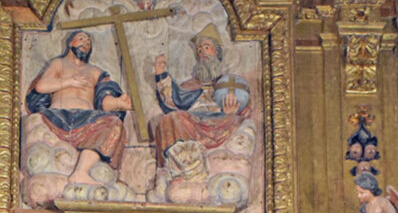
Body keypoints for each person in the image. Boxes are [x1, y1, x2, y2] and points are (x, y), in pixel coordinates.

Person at [25, 30, 132, 185]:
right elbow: (41, 86)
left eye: (88, 42)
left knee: (114, 123)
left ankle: (81, 172)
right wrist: (69, 81)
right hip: (57, 117)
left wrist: (118, 103)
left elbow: (104, 100)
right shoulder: (59, 64)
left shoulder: (95, 71)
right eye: (81, 39)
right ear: (71, 43)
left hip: (88, 120)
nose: (85, 44)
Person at [153, 25, 248, 168]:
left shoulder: (229, 83)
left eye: (206, 47)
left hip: (220, 121)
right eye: (199, 50)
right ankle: (173, 166)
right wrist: (161, 74)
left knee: (236, 120)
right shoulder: (191, 84)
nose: (202, 52)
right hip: (193, 122)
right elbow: (174, 102)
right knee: (169, 119)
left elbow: (245, 107)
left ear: (216, 51)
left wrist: (231, 112)